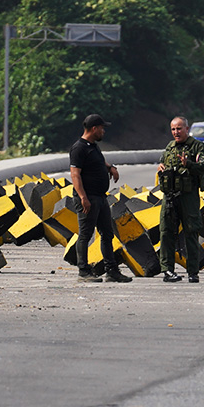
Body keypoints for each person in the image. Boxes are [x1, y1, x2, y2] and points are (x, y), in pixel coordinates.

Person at [69, 114, 132, 283]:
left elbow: (98, 162)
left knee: (107, 234)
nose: (104, 131)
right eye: (102, 128)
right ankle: (83, 271)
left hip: (100, 197)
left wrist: (110, 167)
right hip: (88, 198)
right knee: (85, 235)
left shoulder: (93, 146)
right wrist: (83, 197)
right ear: (94, 128)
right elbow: (75, 175)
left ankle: (112, 271)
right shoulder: (78, 148)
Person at [157, 116, 204, 283]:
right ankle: (167, 271)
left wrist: (189, 164)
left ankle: (193, 272)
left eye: (179, 129)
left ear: (187, 129)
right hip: (170, 197)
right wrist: (160, 168)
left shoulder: (197, 147)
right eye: (173, 129)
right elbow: (161, 163)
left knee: (191, 233)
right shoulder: (169, 147)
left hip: (188, 197)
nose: (176, 132)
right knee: (166, 233)